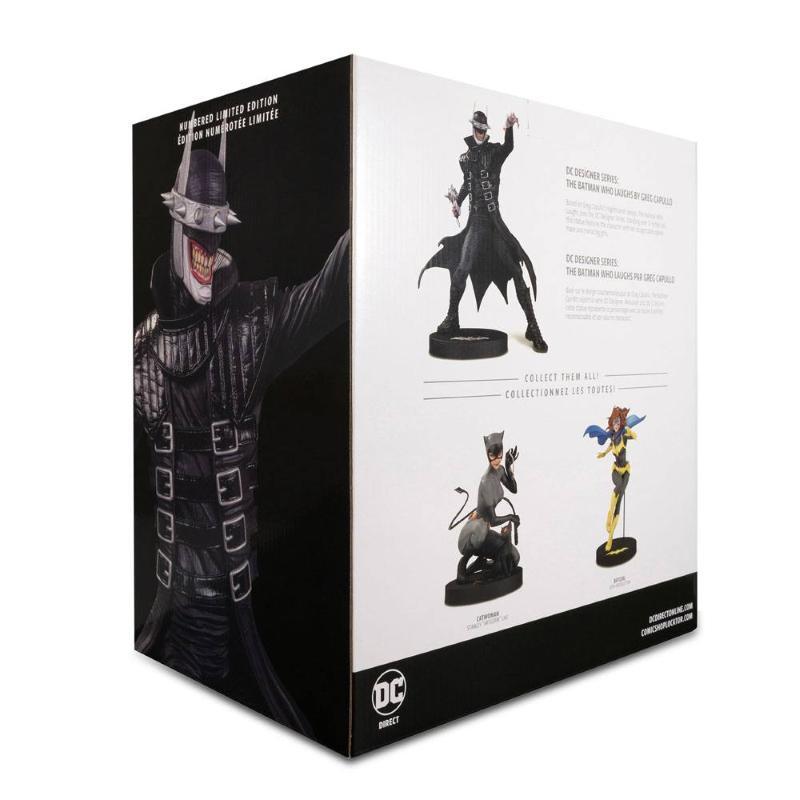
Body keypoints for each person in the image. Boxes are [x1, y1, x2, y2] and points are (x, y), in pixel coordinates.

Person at [133, 114, 349, 736]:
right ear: (177, 229)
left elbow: (332, 290)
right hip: (172, 599)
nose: (206, 253)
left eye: (215, 235)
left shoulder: (253, 326)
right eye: (195, 237)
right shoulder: (141, 351)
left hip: (246, 596)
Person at [419, 110, 548, 352]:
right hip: (476, 222)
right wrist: (457, 203)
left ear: (486, 130)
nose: (479, 133)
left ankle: (533, 326)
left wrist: (508, 126)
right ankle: (452, 318)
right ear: (473, 128)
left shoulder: (494, 152)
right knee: (461, 270)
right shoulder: (464, 159)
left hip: (494, 222)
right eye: (476, 129)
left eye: (482, 129)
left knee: (516, 271)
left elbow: (509, 147)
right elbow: (467, 184)